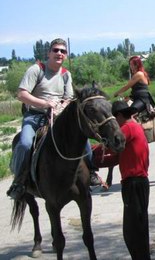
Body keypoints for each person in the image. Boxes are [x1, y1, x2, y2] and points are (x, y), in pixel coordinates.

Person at [7, 38, 101, 200]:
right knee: (25, 143)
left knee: (82, 136)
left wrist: (61, 107)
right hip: (35, 116)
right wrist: (45, 103)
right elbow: (21, 94)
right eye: (56, 50)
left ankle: (91, 172)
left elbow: (68, 97)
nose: (59, 53)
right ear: (49, 53)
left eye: (63, 51)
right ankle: (19, 181)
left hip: (57, 116)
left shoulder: (65, 75)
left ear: (66, 55)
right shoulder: (37, 70)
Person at [102, 100, 151, 259]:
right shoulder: (135, 126)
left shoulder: (127, 128)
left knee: (131, 232)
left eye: (114, 118)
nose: (114, 123)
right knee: (139, 228)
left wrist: (91, 152)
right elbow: (116, 157)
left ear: (120, 116)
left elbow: (111, 147)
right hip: (139, 182)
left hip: (133, 183)